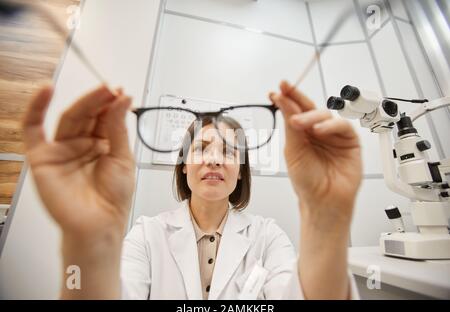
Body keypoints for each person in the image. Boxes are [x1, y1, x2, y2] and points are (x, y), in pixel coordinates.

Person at [22, 81, 362, 299]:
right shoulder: (147, 234)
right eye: (201, 148)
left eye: (229, 151)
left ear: (241, 172)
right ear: (183, 164)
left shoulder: (268, 237)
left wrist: (326, 218)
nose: (214, 160)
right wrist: (88, 243)